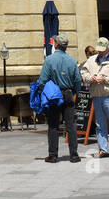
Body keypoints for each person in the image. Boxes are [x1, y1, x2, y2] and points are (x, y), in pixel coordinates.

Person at [34, 33, 82, 163]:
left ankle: (53, 155)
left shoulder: (49, 60)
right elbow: (78, 80)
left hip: (53, 96)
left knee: (53, 125)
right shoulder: (72, 60)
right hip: (68, 93)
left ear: (56, 45)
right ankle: (74, 155)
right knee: (71, 125)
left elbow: (42, 80)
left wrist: (43, 94)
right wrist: (75, 92)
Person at [81, 37, 109, 160]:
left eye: (103, 50)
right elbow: (83, 73)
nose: (100, 52)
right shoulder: (91, 60)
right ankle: (103, 149)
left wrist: (106, 79)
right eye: (99, 50)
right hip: (96, 96)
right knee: (100, 124)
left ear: (108, 48)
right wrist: (91, 78)